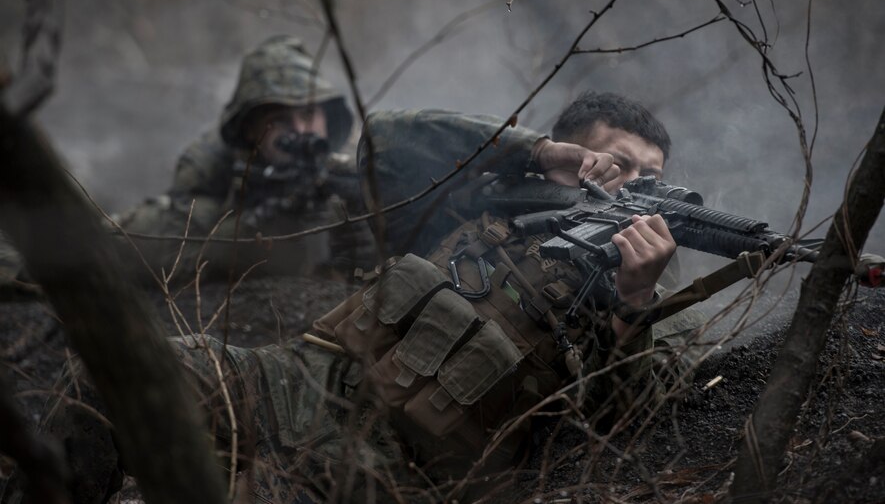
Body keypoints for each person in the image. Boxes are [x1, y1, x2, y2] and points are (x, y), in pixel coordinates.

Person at [1, 94, 704, 504]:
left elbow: (626, 421)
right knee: (122, 377)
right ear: (572, 155)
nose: (632, 183)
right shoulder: (482, 195)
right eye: (616, 161)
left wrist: (632, 302)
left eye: (650, 175)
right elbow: (390, 138)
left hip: (386, 471)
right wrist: (532, 149)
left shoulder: (640, 285)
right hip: (296, 380)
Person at [116, 35, 375, 281]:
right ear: (251, 130)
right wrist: (249, 229)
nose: (299, 131)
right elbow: (155, 238)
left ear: (327, 118)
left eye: (308, 115)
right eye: (280, 121)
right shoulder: (211, 165)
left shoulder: (352, 158)